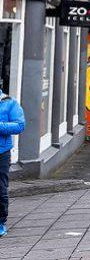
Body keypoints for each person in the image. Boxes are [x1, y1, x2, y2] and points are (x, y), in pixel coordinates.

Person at [0, 89, 25, 238]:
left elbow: (19, 125)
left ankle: (1, 222)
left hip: (1, 152)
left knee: (0, 188)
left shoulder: (9, 103)